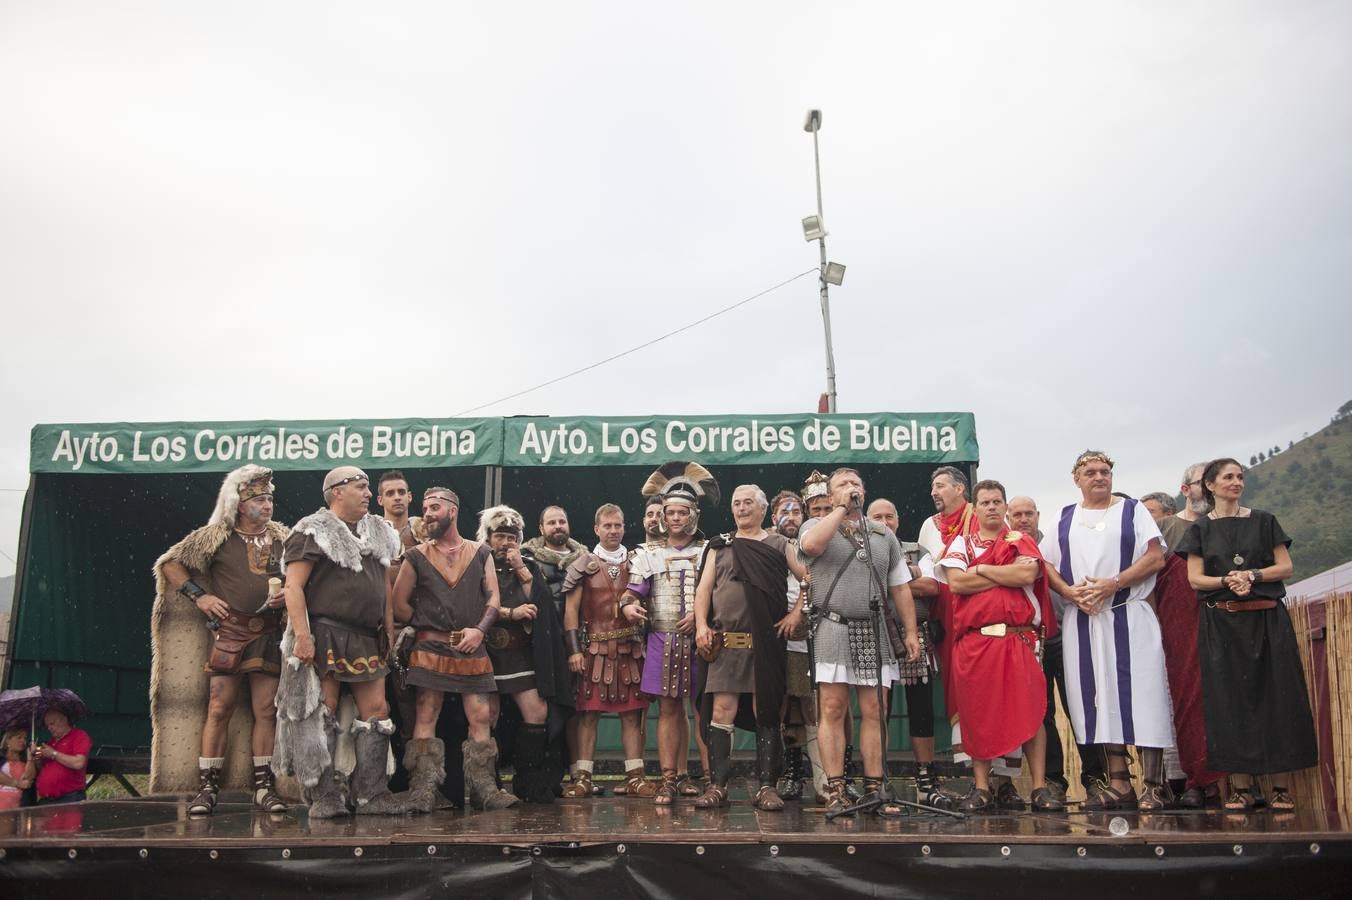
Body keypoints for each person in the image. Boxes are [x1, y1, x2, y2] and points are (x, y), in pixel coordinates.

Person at [1179, 458, 1317, 811]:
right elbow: (1195, 578)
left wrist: (1252, 575)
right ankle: (1239, 788)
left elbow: (1284, 566)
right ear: (1210, 485)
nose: (1236, 482)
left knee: (1277, 696)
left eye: (1240, 476)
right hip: (1223, 622)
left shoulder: (1264, 520)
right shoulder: (1199, 530)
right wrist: (1227, 580)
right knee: (1229, 701)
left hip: (1267, 620)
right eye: (1228, 477)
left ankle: (1280, 788)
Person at [1041, 450, 1174, 811]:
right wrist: (1068, 592)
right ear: (1077, 478)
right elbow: (1046, 564)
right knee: (1098, 699)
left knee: (1144, 696)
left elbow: (1154, 557)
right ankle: (1119, 783)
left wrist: (1112, 584)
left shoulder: (1133, 511)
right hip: (1082, 619)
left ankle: (1154, 785)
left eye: (1104, 471)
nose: (1099, 477)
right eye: (1090, 472)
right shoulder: (1064, 517)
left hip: (1127, 614)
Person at [154, 464, 289, 815]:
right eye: (259, 498)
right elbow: (170, 565)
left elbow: (303, 577)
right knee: (218, 707)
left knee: (266, 710)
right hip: (230, 632)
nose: (267, 504)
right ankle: (206, 789)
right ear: (240, 504)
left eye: (269, 498)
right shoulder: (216, 536)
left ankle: (264, 787)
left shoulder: (284, 538)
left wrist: (289, 594)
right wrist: (200, 597)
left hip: (270, 632)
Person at [281, 466, 403, 817]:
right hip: (325, 632)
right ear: (337, 491)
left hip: (367, 636)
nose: (368, 494)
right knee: (324, 711)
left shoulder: (380, 531)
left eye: (368, 488)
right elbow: (293, 587)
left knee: (378, 712)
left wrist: (389, 629)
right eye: (361, 487)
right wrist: (303, 638)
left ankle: (371, 794)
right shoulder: (312, 530)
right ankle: (324, 797)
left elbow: (384, 587)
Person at [388, 487, 520, 812]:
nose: (428, 513)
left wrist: (478, 629)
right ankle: (423, 791)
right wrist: (426, 624)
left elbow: (493, 599)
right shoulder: (416, 556)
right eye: (425, 507)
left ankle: (484, 790)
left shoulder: (480, 552)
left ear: (453, 511)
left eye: (434, 507)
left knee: (481, 715)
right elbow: (398, 605)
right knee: (426, 713)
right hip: (429, 647)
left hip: (472, 646)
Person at [799, 468, 920, 817]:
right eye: (843, 485)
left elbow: (899, 587)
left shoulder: (883, 535)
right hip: (833, 627)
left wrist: (911, 632)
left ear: (864, 492)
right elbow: (811, 547)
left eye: (856, 485)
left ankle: (874, 786)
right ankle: (836, 787)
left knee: (875, 712)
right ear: (831, 493)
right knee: (833, 710)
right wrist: (838, 509)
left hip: (874, 629)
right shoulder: (815, 526)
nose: (851, 489)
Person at [938, 481, 1062, 812]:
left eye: (997, 501)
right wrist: (1000, 573)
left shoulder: (1019, 540)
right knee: (977, 713)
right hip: (977, 641)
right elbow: (956, 582)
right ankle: (981, 787)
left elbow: (1026, 575)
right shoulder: (960, 544)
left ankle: (1038, 787)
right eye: (986, 502)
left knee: (1032, 711)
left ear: (1004, 507)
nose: (992, 507)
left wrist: (980, 570)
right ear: (974, 509)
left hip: (1018, 637)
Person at [693, 485, 805, 810]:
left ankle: (767, 786)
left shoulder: (778, 544)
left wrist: (796, 614)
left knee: (766, 712)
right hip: (726, 645)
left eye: (748, 503)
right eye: (737, 503)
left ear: (761, 509)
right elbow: (703, 590)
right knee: (721, 712)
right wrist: (701, 626)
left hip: (765, 645)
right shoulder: (719, 545)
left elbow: (809, 577)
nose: (742, 508)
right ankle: (717, 786)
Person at [918, 466, 1024, 808]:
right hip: (951, 623)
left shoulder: (987, 521)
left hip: (990, 619)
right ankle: (979, 781)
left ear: (961, 489)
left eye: (940, 485)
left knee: (1000, 695)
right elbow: (935, 575)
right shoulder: (929, 527)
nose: (934, 492)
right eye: (932, 487)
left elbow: (1015, 572)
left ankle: (1004, 780)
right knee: (965, 697)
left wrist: (976, 574)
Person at [622, 461, 719, 804]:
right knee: (668, 710)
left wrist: (701, 614)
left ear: (693, 515)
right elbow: (632, 592)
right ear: (663, 515)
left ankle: (713, 781)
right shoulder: (648, 554)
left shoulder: (711, 551)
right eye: (671, 513)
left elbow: (720, 594)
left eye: (682, 512)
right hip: (662, 639)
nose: (676, 518)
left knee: (705, 710)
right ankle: (667, 780)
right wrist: (628, 607)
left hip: (703, 641)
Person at [1006, 495, 1104, 806]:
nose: (1024, 519)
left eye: (1029, 513)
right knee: (1042, 712)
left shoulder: (1057, 547)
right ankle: (1052, 780)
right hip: (1031, 642)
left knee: (1083, 707)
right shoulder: (1007, 553)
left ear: (1038, 515)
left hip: (1069, 636)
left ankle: (1096, 778)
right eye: (1017, 514)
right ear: (1008, 518)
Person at [477, 505, 572, 804]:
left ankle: (530, 782)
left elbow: (538, 604)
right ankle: (487, 786)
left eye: (511, 536)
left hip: (521, 654)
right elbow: (471, 605)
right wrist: (509, 612)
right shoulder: (476, 563)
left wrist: (520, 567)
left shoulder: (528, 566)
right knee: (486, 716)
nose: (505, 542)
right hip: (487, 652)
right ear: (489, 537)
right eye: (500, 536)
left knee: (537, 712)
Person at [562, 503, 654, 799]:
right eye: (608, 526)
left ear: (625, 527)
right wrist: (574, 650)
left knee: (633, 715)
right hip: (595, 650)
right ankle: (583, 777)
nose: (613, 531)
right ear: (596, 529)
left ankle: (635, 777)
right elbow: (571, 612)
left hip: (631, 648)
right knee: (589, 715)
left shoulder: (639, 562)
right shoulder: (583, 564)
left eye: (618, 525)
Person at [866, 497, 944, 804]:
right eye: (877, 517)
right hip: (877, 635)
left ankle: (926, 777)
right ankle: (878, 778)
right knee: (877, 710)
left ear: (898, 520)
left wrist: (891, 584)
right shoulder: (861, 549)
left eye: (890, 516)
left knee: (921, 708)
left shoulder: (916, 550)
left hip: (916, 636)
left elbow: (932, 587)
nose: (884, 522)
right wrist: (906, 580)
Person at [769, 489, 824, 802]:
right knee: (781, 705)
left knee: (811, 706)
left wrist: (797, 612)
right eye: (783, 512)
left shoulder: (814, 546)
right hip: (777, 636)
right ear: (773, 517)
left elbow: (812, 582)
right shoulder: (769, 545)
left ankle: (824, 779)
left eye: (795, 512)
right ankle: (790, 774)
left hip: (813, 634)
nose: (790, 518)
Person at [33, 709, 90, 804]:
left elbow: (79, 763)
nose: (49, 728)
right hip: (46, 799)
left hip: (69, 797)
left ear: (64, 720)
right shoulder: (50, 743)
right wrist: (36, 755)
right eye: (47, 725)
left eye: (52, 723)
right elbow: (41, 769)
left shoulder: (79, 736)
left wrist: (53, 754)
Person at [1158, 462, 1210, 552]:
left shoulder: (1225, 524)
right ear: (1185, 490)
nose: (1209, 488)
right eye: (1202, 483)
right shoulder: (1162, 526)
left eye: (1213, 483)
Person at [377, 469, 427, 550]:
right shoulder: (371, 533)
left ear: (409, 497)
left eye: (401, 492)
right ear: (380, 500)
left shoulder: (427, 530)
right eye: (390, 493)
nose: (397, 497)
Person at [0, 729, 35, 809]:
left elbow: (28, 779)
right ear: (8, 740)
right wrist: (17, 783)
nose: (23, 741)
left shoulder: (25, 759)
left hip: (20, 804)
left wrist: (30, 758)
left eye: (25, 738)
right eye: (19, 738)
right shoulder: (1, 757)